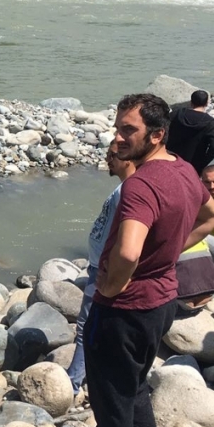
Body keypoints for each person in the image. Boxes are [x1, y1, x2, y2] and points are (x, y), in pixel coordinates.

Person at [56, 93, 214, 427]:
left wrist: (110, 286)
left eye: (129, 130)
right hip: (162, 301)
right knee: (136, 391)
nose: (118, 137)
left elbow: (126, 252)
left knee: (112, 401)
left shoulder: (140, 185)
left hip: (125, 309)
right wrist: (167, 251)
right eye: (118, 127)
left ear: (157, 135)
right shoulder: (182, 169)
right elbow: (212, 212)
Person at [66, 140, 135, 394]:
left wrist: (110, 271)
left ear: (128, 158)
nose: (108, 159)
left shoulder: (129, 190)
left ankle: (74, 381)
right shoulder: (123, 189)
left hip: (104, 268)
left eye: (113, 155)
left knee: (87, 325)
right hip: (99, 264)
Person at [166, 89, 214, 174]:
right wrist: (202, 164)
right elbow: (213, 148)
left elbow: (162, 131)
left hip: (170, 159)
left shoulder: (176, 114)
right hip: (193, 165)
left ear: (191, 101)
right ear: (207, 103)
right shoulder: (211, 123)